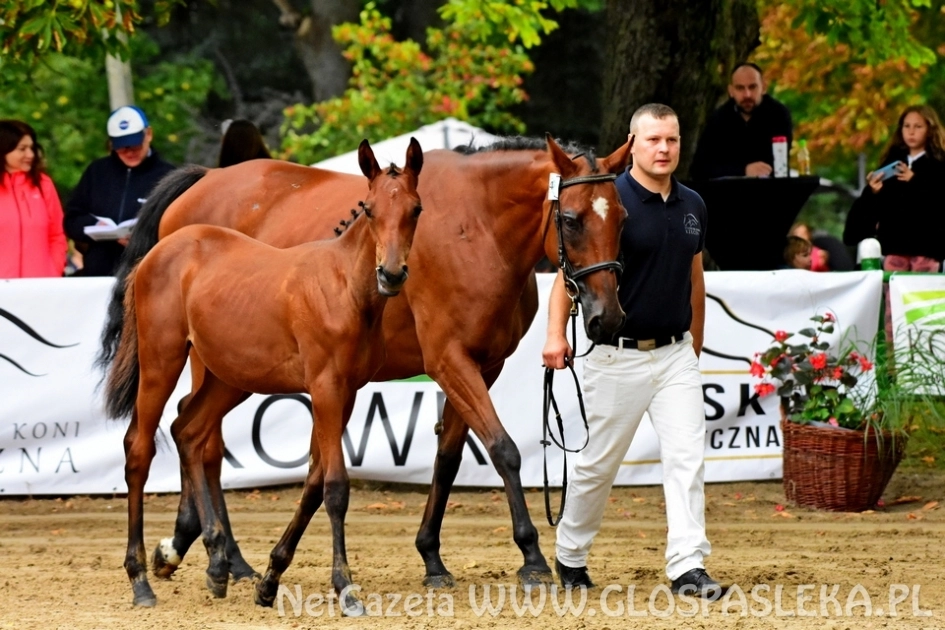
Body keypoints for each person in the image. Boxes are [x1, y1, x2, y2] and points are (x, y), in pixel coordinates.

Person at [542, 103, 720, 598]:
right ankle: (571, 555)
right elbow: (566, 276)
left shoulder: (693, 206)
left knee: (687, 458)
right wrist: (555, 334)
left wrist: (694, 346)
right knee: (597, 465)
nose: (664, 149)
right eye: (653, 140)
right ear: (633, 144)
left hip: (674, 356)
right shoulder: (607, 197)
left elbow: (694, 277)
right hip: (614, 355)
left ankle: (688, 566)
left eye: (672, 140)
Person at [63, 105, 175, 276]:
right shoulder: (96, 171)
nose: (129, 152)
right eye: (122, 147)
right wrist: (96, 226)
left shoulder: (169, 176)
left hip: (147, 276)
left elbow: (179, 226)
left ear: (149, 134)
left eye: (135, 145)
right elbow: (72, 220)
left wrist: (144, 237)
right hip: (99, 274)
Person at [843, 105, 945, 272]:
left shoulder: (939, 164)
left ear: (930, 129)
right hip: (894, 248)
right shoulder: (892, 161)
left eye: (918, 126)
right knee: (893, 293)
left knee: (923, 294)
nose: (911, 132)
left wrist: (915, 180)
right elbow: (876, 207)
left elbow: (938, 202)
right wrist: (873, 191)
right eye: (907, 126)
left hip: (926, 249)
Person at [690, 63, 793, 180]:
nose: (747, 94)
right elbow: (700, 168)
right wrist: (744, 170)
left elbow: (778, 163)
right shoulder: (719, 118)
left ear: (763, 87)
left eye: (752, 87)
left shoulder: (778, 115)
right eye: (740, 88)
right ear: (731, 91)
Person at [0, 120, 67, 278]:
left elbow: (57, 234)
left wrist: (54, 270)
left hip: (40, 287)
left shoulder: (44, 184)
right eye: (22, 149)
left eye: (32, 148)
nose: (30, 155)